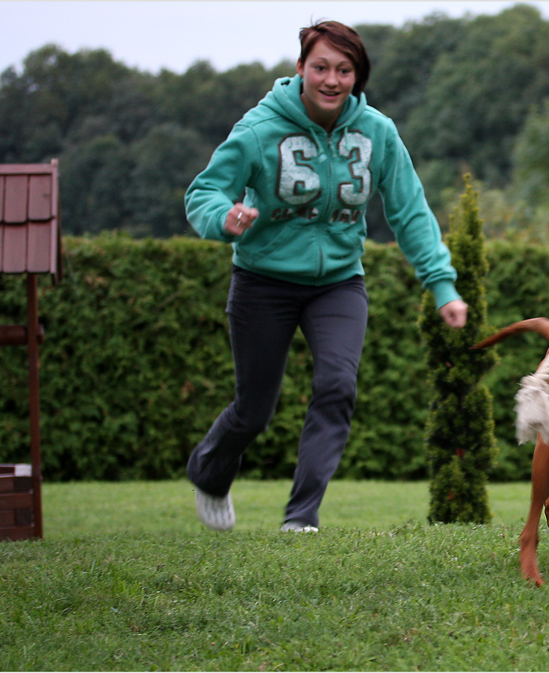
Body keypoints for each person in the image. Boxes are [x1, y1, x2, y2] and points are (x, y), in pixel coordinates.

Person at [184, 20, 468, 533]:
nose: (332, 79)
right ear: (301, 69)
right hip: (262, 282)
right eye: (321, 67)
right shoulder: (258, 129)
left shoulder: (377, 132)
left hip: (339, 281)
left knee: (337, 385)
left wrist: (440, 283)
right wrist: (223, 218)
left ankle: (301, 518)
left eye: (345, 69)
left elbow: (409, 212)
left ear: (357, 76)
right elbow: (203, 193)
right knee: (254, 411)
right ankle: (209, 472)